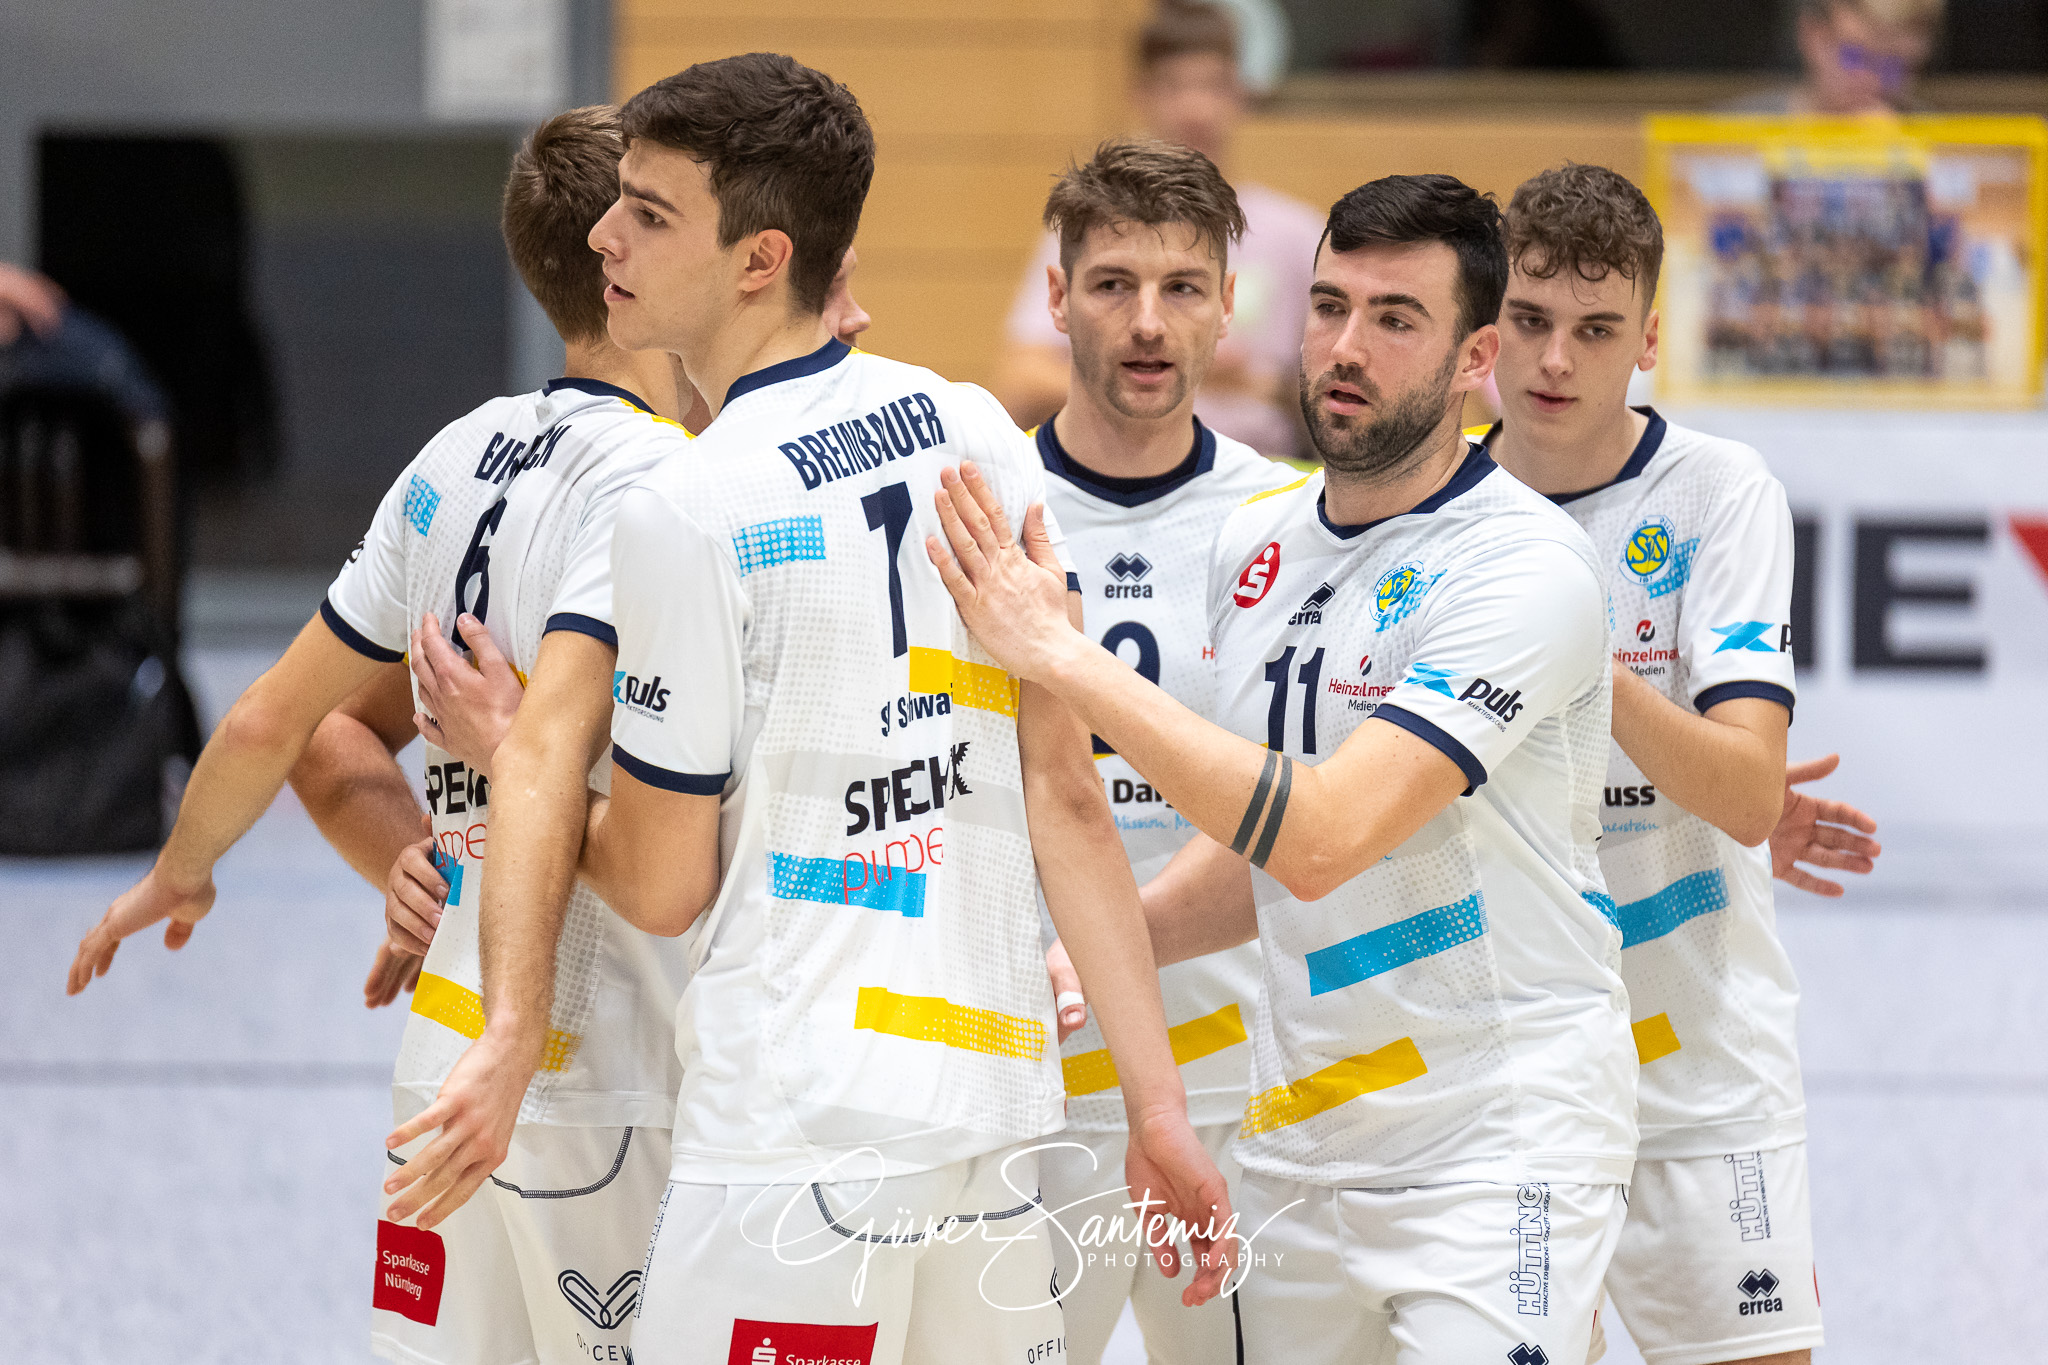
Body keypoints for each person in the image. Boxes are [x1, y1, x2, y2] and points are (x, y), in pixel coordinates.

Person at [403, 54, 1230, 1365]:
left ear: (758, 259)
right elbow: (1063, 791)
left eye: (651, 213)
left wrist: (516, 759)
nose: (605, 237)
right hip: (995, 1119)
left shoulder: (687, 505)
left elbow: (665, 886)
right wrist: (1161, 1107)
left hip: (797, 1132)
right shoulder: (968, 423)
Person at [930, 173, 1634, 1364]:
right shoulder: (1262, 543)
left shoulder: (1524, 568)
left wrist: (1061, 658)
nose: (1345, 349)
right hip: (1297, 1142)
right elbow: (1257, 860)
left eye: (1393, 319)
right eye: (1327, 307)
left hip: (1494, 1142)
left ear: (1473, 357)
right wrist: (1105, 949)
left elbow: (1318, 836)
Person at [65, 105, 704, 1365]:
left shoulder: (453, 457)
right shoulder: (670, 487)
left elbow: (282, 724)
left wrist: (185, 868)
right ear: (636, 252)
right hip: (615, 1062)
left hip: (446, 1050)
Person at [1484, 161, 1842, 1365]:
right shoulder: (1427, 503)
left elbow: (1744, 793)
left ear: (1644, 339)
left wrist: (1584, 648)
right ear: (1488, 321)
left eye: (1592, 331)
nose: (1552, 363)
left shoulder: (1717, 494)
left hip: (1699, 1065)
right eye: (1528, 323)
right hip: (1500, 1082)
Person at [1016, 137, 1292, 1364]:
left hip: (1233, 1075)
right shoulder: (975, 512)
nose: (1146, 321)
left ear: (1228, 305)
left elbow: (1301, 811)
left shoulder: (1288, 522)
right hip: (1021, 1077)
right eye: (1113, 282)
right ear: (1058, 292)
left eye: (1182, 287)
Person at [992, 0, 1323, 459]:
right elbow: (1020, 379)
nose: (1194, 108)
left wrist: (1269, 387)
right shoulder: (1091, 227)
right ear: (1140, 95)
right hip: (1122, 470)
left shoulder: (1299, 233)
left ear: (1241, 93)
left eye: (1212, 86)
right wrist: (1177, 371)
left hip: (1265, 479)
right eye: (1174, 87)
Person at [1727, 0, 1943, 115]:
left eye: (1893, 67)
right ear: (1812, 36)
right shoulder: (1730, 137)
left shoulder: (1945, 148)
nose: (1873, 82)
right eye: (1855, 57)